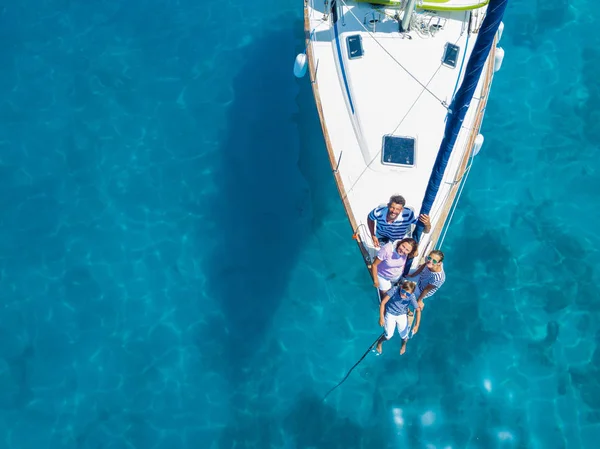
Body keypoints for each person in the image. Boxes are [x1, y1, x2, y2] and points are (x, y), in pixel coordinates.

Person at [376, 280, 421, 355]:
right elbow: (383, 303)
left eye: (408, 294)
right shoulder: (395, 290)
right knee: (388, 336)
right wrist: (381, 317)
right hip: (390, 313)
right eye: (403, 291)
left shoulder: (411, 297)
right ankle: (379, 342)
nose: (404, 295)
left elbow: (418, 310)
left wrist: (417, 325)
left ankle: (403, 346)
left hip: (402, 314)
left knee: (404, 335)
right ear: (401, 287)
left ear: (411, 294)